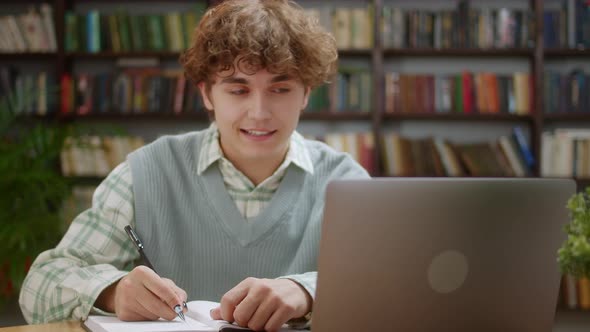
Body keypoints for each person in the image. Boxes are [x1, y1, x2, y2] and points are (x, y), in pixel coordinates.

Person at [19, 0, 370, 330]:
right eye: (238, 90)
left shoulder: (346, 182)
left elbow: (391, 285)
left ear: (306, 93)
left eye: (280, 90)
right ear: (206, 94)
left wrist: (308, 291)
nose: (260, 112)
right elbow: (40, 284)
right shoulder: (147, 171)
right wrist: (112, 291)